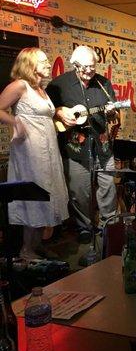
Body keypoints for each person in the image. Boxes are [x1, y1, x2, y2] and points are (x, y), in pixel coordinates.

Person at [0, 47, 69, 260]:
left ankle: (37, 245)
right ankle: (26, 250)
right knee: (34, 195)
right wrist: (15, 122)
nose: (48, 64)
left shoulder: (41, 89)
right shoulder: (20, 86)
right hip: (30, 152)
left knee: (48, 195)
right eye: (43, 61)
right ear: (30, 65)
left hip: (47, 150)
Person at [46, 45, 119, 242]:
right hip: (75, 148)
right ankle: (84, 227)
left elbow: (113, 112)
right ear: (74, 64)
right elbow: (46, 109)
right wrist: (60, 111)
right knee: (79, 191)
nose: (89, 71)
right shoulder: (58, 85)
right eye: (84, 67)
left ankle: (108, 225)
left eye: (92, 67)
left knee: (108, 186)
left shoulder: (103, 83)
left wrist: (112, 111)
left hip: (102, 146)